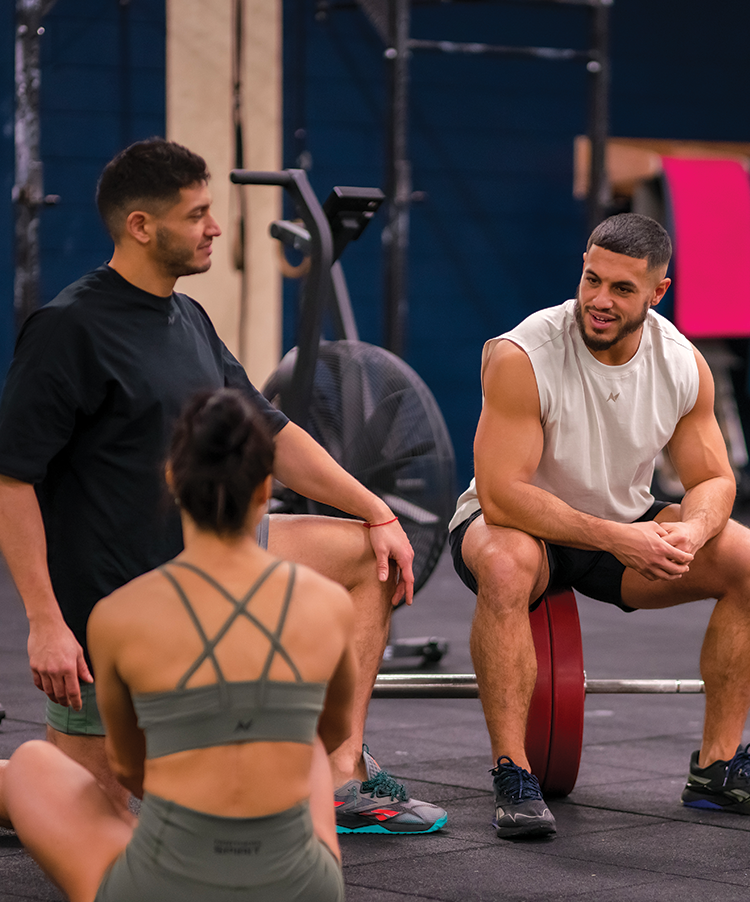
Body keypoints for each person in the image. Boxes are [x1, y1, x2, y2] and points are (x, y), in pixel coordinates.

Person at [0, 138, 446, 836]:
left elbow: (268, 431)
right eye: (198, 214)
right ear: (142, 227)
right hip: (115, 609)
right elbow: (12, 478)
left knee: (369, 556)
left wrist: (375, 510)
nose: (214, 228)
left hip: (217, 560)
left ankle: (340, 775)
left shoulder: (188, 317)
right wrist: (45, 622)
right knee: (87, 816)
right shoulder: (67, 330)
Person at [0, 389, 354, 902]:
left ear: (171, 479)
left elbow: (130, 767)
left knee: (35, 766)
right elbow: (333, 732)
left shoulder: (115, 616)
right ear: (266, 488)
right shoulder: (328, 604)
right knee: (307, 748)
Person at [449, 213, 750, 839]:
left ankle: (716, 769)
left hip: (622, 522)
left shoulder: (682, 364)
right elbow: (504, 496)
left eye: (621, 289)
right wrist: (620, 538)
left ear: (658, 292)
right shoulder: (523, 354)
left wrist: (691, 535)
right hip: (518, 524)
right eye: (592, 280)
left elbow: (716, 480)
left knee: (746, 560)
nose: (599, 301)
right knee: (506, 565)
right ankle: (513, 772)